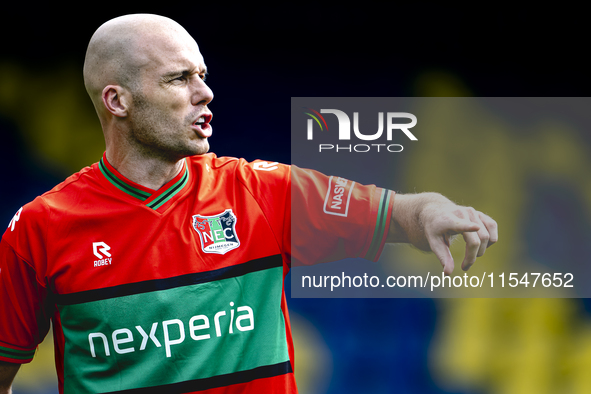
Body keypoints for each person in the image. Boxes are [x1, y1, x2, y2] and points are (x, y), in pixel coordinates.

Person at [0, 14, 498, 394]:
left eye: (203, 75)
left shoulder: (259, 190)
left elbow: (393, 212)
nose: (206, 93)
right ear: (117, 101)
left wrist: (429, 211)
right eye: (179, 79)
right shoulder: (40, 228)